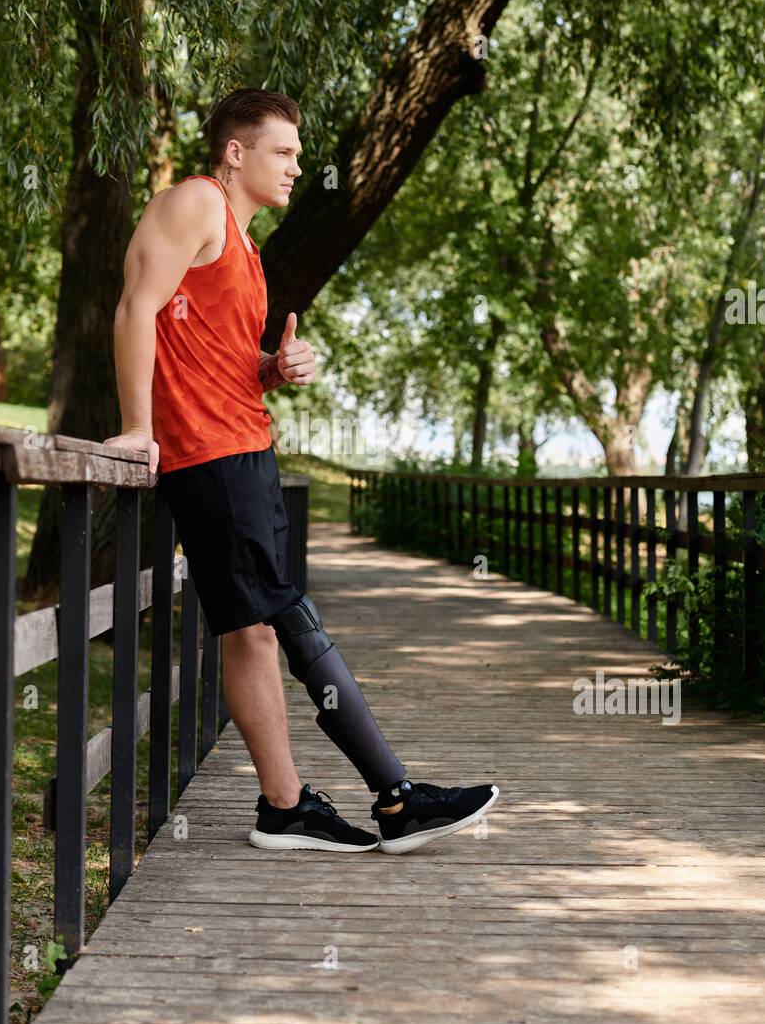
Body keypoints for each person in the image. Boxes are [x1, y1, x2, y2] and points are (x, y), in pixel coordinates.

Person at [105, 87, 499, 853]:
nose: (297, 166)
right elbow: (134, 309)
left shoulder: (244, 245)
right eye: (283, 152)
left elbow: (207, 353)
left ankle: (285, 808)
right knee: (286, 613)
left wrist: (271, 367)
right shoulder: (195, 203)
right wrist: (136, 429)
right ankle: (396, 797)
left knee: (252, 627)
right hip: (210, 456)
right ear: (234, 152)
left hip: (243, 447)